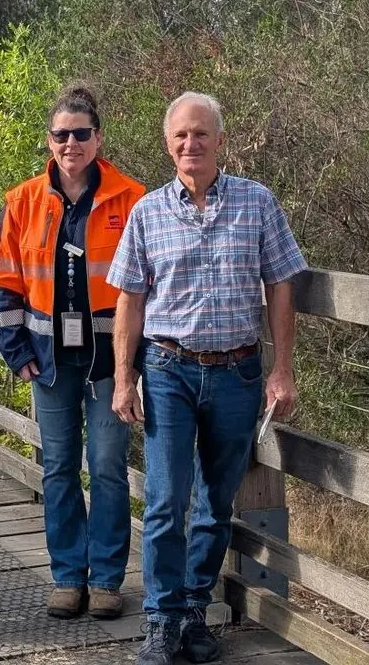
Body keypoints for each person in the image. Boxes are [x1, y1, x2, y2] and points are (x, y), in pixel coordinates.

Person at [106, 93, 307, 664]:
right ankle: (161, 619)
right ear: (167, 144)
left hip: (237, 372)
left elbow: (282, 284)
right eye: (180, 136)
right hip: (168, 369)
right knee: (166, 500)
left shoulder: (257, 202)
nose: (190, 144)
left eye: (200, 134)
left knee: (215, 503)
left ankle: (194, 609)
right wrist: (123, 377)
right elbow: (130, 300)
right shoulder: (147, 212)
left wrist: (283, 369)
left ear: (220, 140)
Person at [0, 86, 145, 620]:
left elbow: (147, 288)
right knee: (57, 467)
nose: (70, 143)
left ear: (98, 138)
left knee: (106, 466)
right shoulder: (22, 201)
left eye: (81, 133)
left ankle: (106, 579)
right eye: (61, 134)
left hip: (109, 361)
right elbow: (5, 281)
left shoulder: (133, 199)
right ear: (49, 140)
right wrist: (15, 350)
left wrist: (133, 364)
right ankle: (67, 576)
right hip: (48, 359)